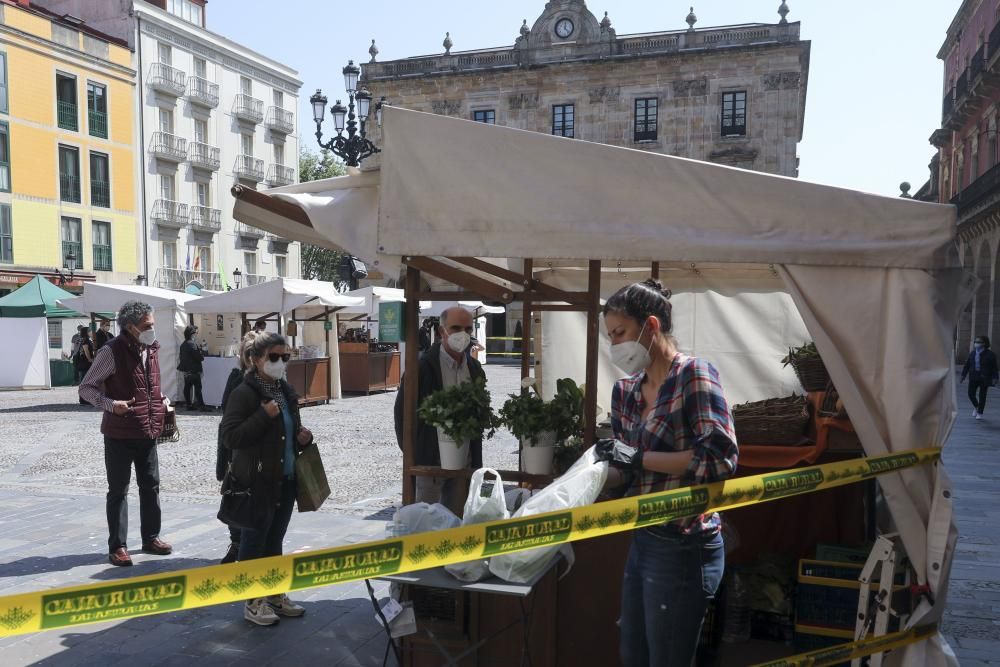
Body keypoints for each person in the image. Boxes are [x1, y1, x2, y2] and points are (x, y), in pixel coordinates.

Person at [596, 279, 738, 667]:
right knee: (633, 653)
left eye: (621, 333)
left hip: (684, 541)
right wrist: (586, 482)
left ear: (652, 326)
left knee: (667, 657)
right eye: (610, 336)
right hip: (644, 536)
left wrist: (638, 458)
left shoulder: (694, 375)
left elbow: (720, 458)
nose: (615, 345)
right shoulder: (625, 391)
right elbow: (624, 472)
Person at [220, 333, 312, 626]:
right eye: (273, 357)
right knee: (253, 541)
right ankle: (252, 600)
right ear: (256, 359)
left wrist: (302, 437)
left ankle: (274, 594)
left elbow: (288, 431)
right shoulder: (244, 393)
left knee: (275, 540)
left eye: (285, 357)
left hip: (284, 478)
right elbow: (230, 436)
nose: (280, 362)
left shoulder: (285, 390)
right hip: (256, 481)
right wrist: (262, 416)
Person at [79, 300, 173, 567]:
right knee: (118, 490)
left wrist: (162, 401)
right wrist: (111, 405)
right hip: (119, 433)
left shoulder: (152, 349)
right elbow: (86, 388)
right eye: (147, 326)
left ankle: (151, 537)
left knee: (151, 486)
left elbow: (151, 386)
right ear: (130, 327)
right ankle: (118, 546)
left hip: (147, 430)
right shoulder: (111, 351)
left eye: (152, 325)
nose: (152, 330)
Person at [394, 306, 485, 515]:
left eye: (468, 329)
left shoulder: (475, 369)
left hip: (465, 462)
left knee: (457, 519)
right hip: (429, 463)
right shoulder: (422, 368)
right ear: (442, 331)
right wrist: (414, 453)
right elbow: (402, 415)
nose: (463, 333)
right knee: (425, 521)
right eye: (455, 327)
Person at [216, 330, 261, 564]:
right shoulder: (236, 378)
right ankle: (236, 544)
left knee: (257, 501)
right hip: (237, 449)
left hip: (263, 453)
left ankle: (250, 547)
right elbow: (225, 417)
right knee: (236, 495)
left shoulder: (272, 381)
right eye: (249, 353)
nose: (252, 358)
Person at [961, 335, 999, 420]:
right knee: (971, 394)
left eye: (978, 342)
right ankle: (977, 406)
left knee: (982, 395)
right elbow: (967, 365)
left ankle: (980, 412)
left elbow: (994, 368)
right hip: (973, 377)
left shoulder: (990, 354)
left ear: (984, 343)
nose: (976, 343)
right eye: (975, 341)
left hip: (984, 377)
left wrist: (995, 378)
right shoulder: (973, 353)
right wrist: (963, 375)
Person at [178, 325, 208, 411]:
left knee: (187, 388)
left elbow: (181, 357)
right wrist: (203, 352)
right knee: (198, 388)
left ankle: (189, 405)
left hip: (186, 370)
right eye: (196, 333)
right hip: (194, 369)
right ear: (192, 334)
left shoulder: (183, 344)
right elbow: (199, 357)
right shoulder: (192, 344)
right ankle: (201, 406)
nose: (197, 335)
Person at [74, 328, 95, 402]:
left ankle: (84, 399)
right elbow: (86, 351)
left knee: (84, 382)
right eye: (89, 331)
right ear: (86, 332)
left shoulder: (85, 339)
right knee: (84, 382)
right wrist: (90, 359)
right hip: (84, 363)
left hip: (83, 363)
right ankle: (83, 400)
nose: (90, 332)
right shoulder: (85, 340)